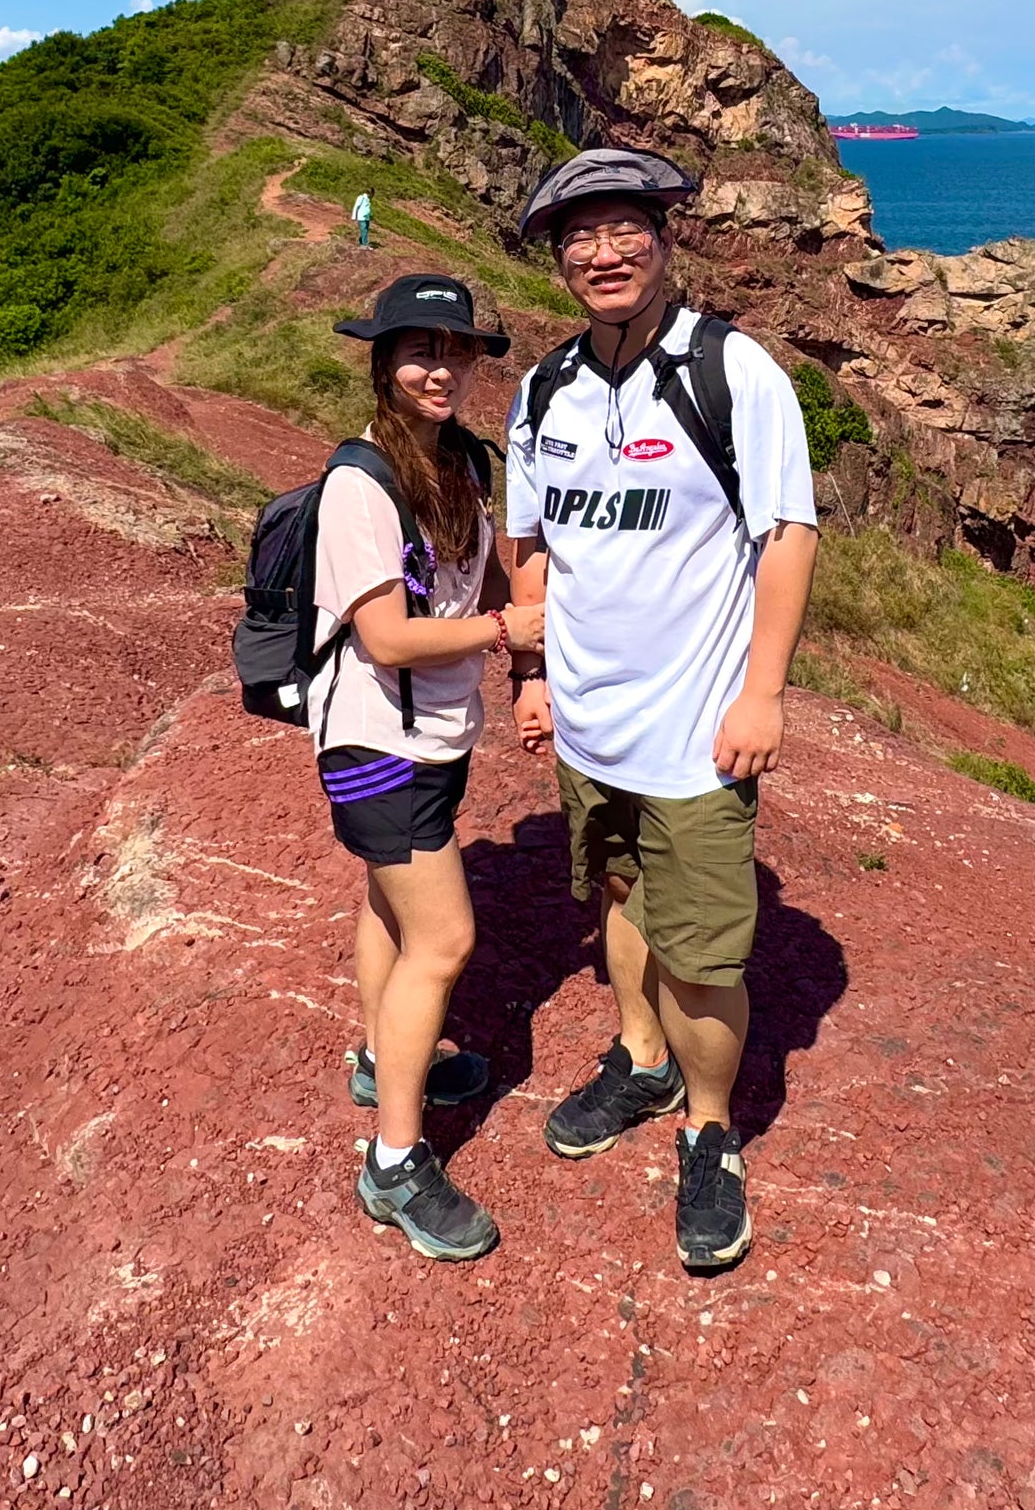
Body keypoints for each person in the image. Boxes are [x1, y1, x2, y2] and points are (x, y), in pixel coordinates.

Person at [503, 147, 820, 1275]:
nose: (604, 252)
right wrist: (533, 676)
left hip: (696, 735)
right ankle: (640, 1063)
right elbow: (530, 543)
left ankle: (709, 1129)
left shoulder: (730, 372)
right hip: (591, 727)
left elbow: (786, 535)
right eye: (579, 237)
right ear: (558, 259)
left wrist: (763, 692)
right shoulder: (544, 389)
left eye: (623, 227)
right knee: (620, 894)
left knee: (705, 957)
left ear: (664, 236)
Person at [313, 273, 544, 1261]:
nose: (440, 371)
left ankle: (382, 1059)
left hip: (435, 734)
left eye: (456, 353)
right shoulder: (359, 484)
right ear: (382, 363)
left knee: (388, 904)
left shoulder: (459, 461)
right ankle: (395, 1164)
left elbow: (485, 575)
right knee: (444, 940)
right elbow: (387, 636)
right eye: (419, 352)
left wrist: (525, 663)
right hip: (372, 745)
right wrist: (504, 634)